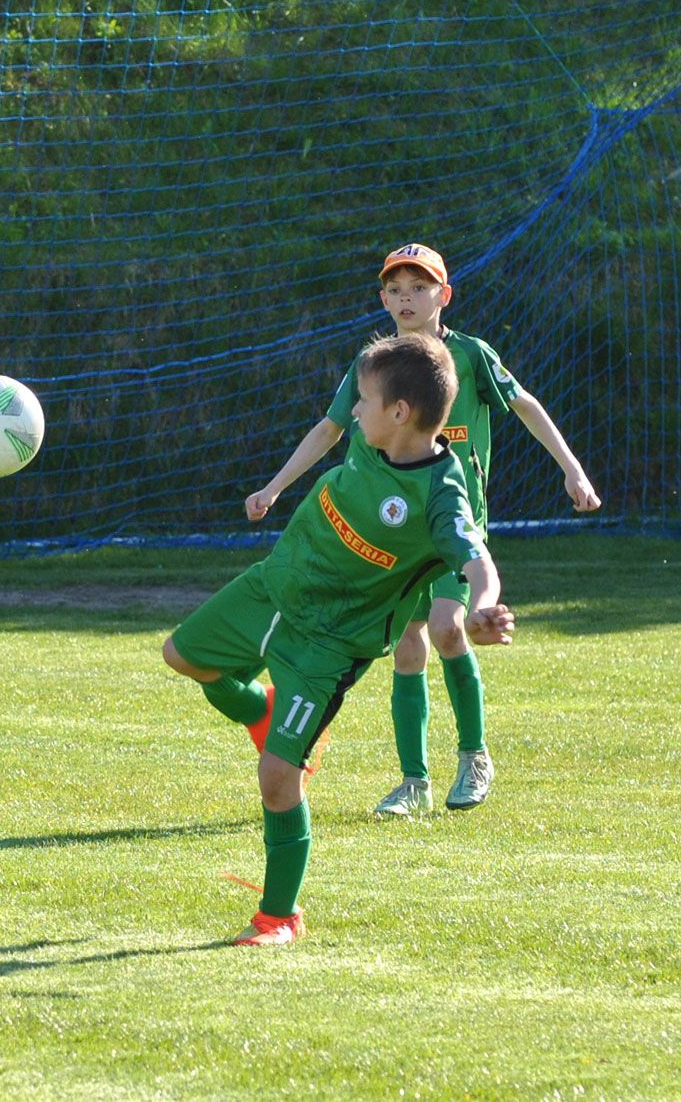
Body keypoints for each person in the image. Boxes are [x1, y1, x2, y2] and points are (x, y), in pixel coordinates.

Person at [163, 332, 514, 945]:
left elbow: (477, 559)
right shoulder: (370, 434)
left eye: (364, 400)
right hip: (275, 585)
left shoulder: (440, 494)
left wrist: (484, 608)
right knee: (182, 656)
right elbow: (329, 432)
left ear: (399, 413)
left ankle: (278, 917)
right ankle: (262, 709)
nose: (353, 409)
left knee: (277, 776)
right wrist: (272, 489)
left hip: (329, 644)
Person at [245, 243, 599, 816]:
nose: (406, 297)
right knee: (407, 646)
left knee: (446, 628)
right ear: (383, 299)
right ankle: (414, 781)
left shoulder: (472, 355)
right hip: (396, 538)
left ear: (444, 295)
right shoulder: (375, 366)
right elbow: (332, 428)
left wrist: (572, 469)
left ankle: (474, 755)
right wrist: (275, 486)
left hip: (453, 524)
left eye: (419, 286)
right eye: (395, 288)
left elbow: (526, 404)